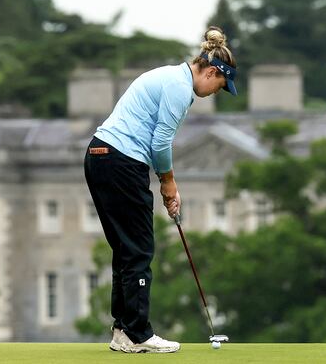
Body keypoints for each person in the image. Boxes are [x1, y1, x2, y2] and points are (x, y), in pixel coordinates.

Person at [83, 26, 237, 353]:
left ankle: (123, 331)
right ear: (210, 72)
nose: (214, 93)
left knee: (126, 249)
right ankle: (139, 333)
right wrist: (169, 183)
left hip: (99, 155)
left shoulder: (168, 75)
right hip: (122, 161)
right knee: (139, 249)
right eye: (219, 86)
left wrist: (167, 182)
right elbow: (161, 142)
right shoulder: (180, 89)